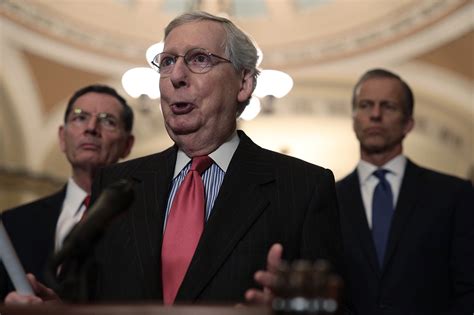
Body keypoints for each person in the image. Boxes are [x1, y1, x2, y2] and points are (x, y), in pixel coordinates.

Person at [5, 11, 345, 306]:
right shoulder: (118, 186)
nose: (176, 76)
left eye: (199, 59)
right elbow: (94, 299)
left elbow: (339, 307)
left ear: (244, 83)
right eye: (167, 62)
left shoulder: (303, 187)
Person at [336, 68, 474, 314]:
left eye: (388, 106)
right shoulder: (327, 199)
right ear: (354, 119)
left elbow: (467, 288)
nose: (375, 114)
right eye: (366, 105)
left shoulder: (453, 195)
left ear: (408, 123)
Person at [0, 84, 135, 302]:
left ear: (127, 145)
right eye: (80, 118)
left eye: (107, 120)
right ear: (62, 137)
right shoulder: (13, 223)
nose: (91, 128)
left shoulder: (146, 223)